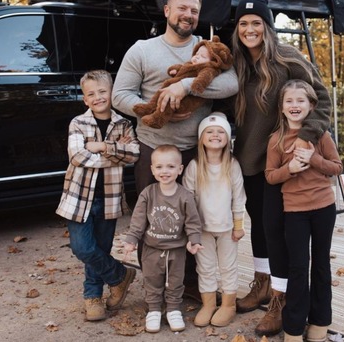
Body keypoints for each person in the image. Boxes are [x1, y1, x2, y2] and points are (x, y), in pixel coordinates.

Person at [112, 0, 238, 301]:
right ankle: (155, 287)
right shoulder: (142, 50)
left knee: (196, 220)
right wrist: (156, 108)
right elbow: (119, 95)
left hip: (196, 152)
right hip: (153, 149)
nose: (188, 15)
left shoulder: (207, 48)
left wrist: (185, 87)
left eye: (194, 11)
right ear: (167, 10)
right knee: (153, 221)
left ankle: (193, 286)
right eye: (182, 8)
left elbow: (232, 83)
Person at [222, 0, 332, 337]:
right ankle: (262, 284)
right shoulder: (236, 64)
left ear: (267, 27)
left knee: (278, 233)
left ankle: (281, 302)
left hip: (283, 164)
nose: (250, 29)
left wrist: (306, 138)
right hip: (249, 161)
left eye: (257, 23)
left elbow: (322, 99)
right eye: (244, 23)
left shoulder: (288, 59)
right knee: (261, 227)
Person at [55, 70, 141, 322]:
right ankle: (119, 275)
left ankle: (92, 297)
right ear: (85, 99)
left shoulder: (123, 124)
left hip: (110, 198)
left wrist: (103, 146)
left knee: (101, 248)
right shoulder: (78, 123)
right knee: (82, 248)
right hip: (78, 198)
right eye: (91, 94)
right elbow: (77, 156)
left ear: (112, 92)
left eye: (102, 91)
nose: (98, 97)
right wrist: (115, 156)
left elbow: (134, 154)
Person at [264, 79, 343, 342]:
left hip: (323, 208)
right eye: (289, 101)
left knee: (321, 264)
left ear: (311, 106)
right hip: (294, 212)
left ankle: (320, 322)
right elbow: (270, 176)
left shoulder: (321, 135)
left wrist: (314, 159)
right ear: (282, 107)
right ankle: (294, 328)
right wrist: (290, 170)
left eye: (300, 101)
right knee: (298, 267)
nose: (294, 105)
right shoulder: (276, 139)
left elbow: (337, 167)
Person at [121, 145, 203, 333]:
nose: (164, 171)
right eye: (159, 167)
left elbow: (192, 221)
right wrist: (132, 239)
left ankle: (173, 309)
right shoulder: (148, 193)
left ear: (180, 169)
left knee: (175, 281)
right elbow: (139, 219)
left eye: (170, 167)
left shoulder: (185, 196)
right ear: (152, 169)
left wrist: (194, 239)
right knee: (152, 280)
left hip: (177, 249)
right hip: (152, 248)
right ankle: (154, 310)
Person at [181, 112, 246, 328]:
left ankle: (228, 305)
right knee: (205, 266)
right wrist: (191, 231)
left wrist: (239, 226)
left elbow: (239, 198)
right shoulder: (194, 166)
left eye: (221, 131)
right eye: (210, 131)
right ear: (201, 138)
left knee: (228, 266)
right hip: (202, 230)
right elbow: (187, 200)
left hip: (228, 228)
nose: (215, 135)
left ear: (228, 138)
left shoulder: (232, 165)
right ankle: (208, 303)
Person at [132, 36, 233, 129]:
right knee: (160, 94)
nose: (197, 57)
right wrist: (175, 70)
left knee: (168, 103)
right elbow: (183, 68)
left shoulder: (208, 68)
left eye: (202, 56)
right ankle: (149, 108)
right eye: (197, 54)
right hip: (150, 141)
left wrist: (192, 85)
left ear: (214, 61)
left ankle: (158, 119)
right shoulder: (142, 48)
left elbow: (206, 77)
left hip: (185, 99)